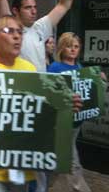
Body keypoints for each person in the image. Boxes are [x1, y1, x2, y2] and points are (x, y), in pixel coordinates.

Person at [0, 16, 82, 192]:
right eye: (9, 31)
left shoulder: (29, 70)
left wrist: (64, 107)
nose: (17, 36)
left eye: (19, 31)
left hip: (21, 168)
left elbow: (40, 117)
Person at [47, 32, 91, 192]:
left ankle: (58, 187)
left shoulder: (80, 68)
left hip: (77, 121)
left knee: (66, 160)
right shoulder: (55, 67)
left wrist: (97, 79)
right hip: (61, 121)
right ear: (61, 48)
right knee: (72, 160)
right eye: (68, 46)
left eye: (76, 46)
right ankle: (81, 188)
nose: (72, 49)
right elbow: (49, 92)